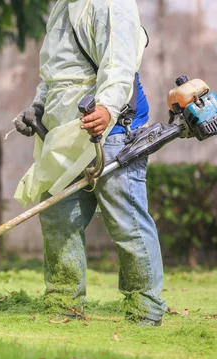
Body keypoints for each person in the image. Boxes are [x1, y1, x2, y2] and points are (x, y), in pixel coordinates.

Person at [14, 0, 167, 326]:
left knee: (128, 226)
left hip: (108, 132)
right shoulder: (62, 6)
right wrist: (38, 107)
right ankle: (64, 305)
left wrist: (108, 108)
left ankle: (146, 310)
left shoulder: (112, 4)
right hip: (63, 134)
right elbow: (55, 71)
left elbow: (119, 62)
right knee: (59, 221)